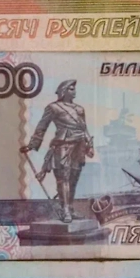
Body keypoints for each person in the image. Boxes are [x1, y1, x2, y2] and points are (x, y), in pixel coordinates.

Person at [21, 79, 93, 224]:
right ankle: (65, 209)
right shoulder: (53, 107)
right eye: (71, 89)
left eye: (74, 88)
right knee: (63, 177)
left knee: (73, 178)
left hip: (79, 145)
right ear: (63, 91)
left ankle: (70, 208)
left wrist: (89, 145)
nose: (74, 91)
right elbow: (42, 126)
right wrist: (32, 145)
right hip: (62, 145)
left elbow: (84, 128)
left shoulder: (80, 109)